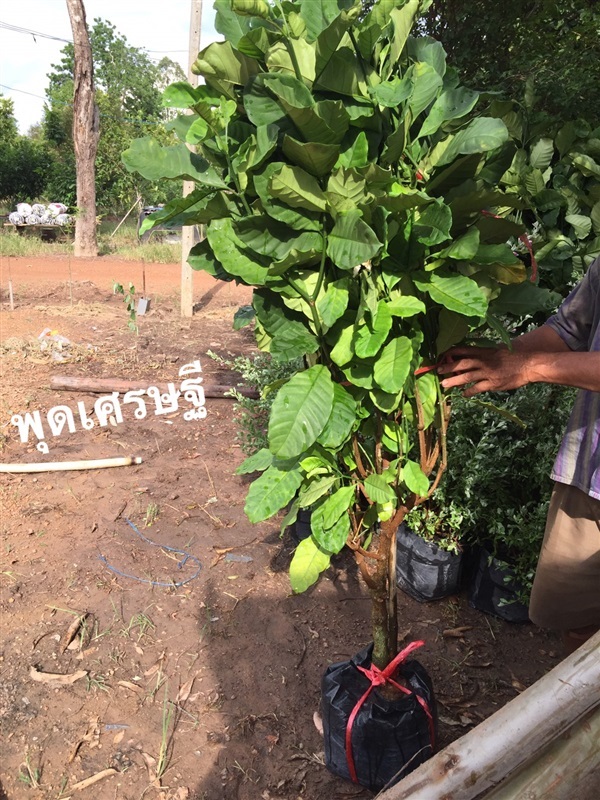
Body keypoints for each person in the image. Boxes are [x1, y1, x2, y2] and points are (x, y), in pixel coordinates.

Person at [437, 256, 600, 655]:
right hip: (590, 474)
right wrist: (494, 358)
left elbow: (537, 361)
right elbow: (567, 329)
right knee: (573, 617)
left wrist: (529, 366)